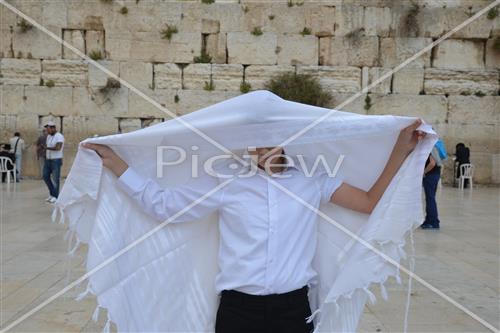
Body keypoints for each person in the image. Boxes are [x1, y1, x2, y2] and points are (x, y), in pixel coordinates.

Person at [82, 119, 424, 333]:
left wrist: (400, 152)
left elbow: (368, 203)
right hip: (238, 311)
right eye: (256, 140)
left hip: (293, 311)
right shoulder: (226, 180)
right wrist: (116, 163)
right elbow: (163, 205)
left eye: (271, 138)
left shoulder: (312, 180)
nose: (263, 147)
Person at [43, 121, 64, 203]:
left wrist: (46, 148)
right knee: (45, 176)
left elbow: (58, 148)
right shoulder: (48, 136)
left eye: (48, 129)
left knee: (55, 179)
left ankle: (56, 196)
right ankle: (52, 194)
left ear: (53, 128)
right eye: (46, 130)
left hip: (56, 160)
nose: (47, 131)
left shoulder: (59, 136)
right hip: (48, 160)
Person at [421, 146, 441, 229]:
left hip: (430, 176)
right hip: (433, 175)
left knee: (430, 198)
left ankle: (433, 222)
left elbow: (432, 163)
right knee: (430, 198)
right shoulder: (433, 147)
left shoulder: (431, 147)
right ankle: (429, 220)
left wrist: (424, 172)